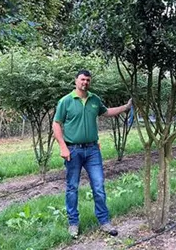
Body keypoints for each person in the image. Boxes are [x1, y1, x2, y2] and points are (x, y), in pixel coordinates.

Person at [52, 69, 132, 238]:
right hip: (73, 150)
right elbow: (56, 124)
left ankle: (104, 222)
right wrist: (62, 146)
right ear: (76, 81)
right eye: (82, 79)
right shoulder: (66, 101)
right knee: (72, 187)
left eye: (88, 80)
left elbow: (106, 112)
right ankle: (73, 223)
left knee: (99, 186)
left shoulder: (95, 99)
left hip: (93, 150)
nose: (85, 82)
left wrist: (125, 107)